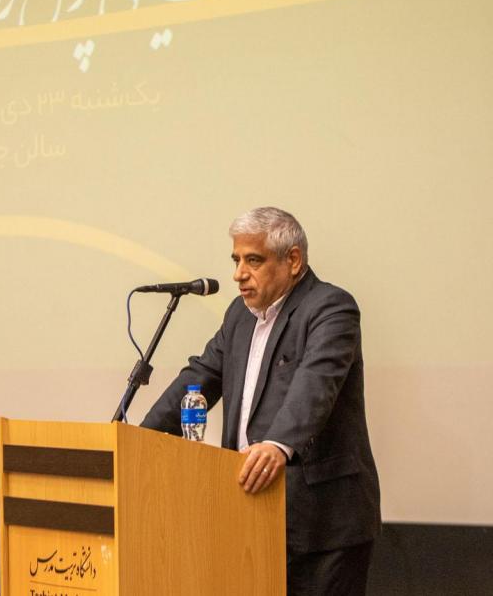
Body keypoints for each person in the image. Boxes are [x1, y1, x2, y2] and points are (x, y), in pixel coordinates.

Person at [141, 207, 380, 596]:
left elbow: (316, 384)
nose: (239, 273)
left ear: (293, 260)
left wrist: (277, 443)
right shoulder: (240, 314)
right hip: (250, 514)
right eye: (236, 260)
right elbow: (199, 377)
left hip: (322, 526)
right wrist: (138, 438)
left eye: (253, 260)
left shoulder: (330, 308)